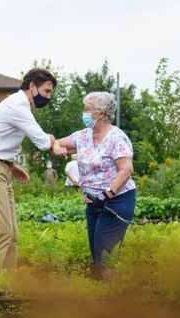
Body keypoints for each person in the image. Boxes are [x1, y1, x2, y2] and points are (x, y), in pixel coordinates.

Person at [0, 68, 67, 272]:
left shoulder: (19, 106)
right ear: (32, 86)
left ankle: (7, 285)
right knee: (2, 232)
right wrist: (55, 144)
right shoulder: (17, 105)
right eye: (47, 91)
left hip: (0, 168)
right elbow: (41, 140)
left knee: (12, 234)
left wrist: (12, 166)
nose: (48, 97)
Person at [57, 92, 136, 281]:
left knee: (105, 250)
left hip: (115, 200)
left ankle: (112, 296)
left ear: (100, 113)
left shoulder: (116, 138)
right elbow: (58, 142)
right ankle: (101, 292)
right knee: (95, 247)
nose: (84, 113)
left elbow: (126, 170)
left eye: (87, 109)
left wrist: (106, 195)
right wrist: (58, 148)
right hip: (92, 201)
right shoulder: (83, 136)